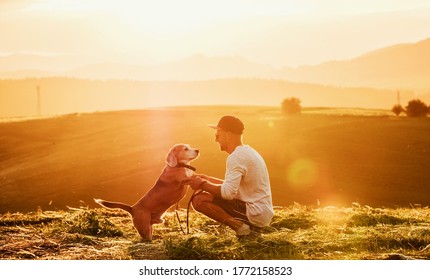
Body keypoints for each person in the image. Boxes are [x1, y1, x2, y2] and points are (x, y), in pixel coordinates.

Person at [189, 115, 274, 237]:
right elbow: (234, 187)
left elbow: (228, 193)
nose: (216, 140)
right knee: (207, 194)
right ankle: (247, 228)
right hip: (261, 212)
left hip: (254, 213)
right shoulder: (248, 152)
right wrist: (207, 179)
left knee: (199, 199)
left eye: (217, 135)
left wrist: (202, 184)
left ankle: (242, 229)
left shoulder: (236, 157)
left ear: (228, 135)